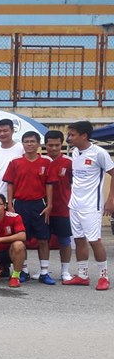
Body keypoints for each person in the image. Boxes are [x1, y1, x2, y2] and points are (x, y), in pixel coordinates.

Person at [63, 120, 114, 290]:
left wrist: (110, 200)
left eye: (72, 135)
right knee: (78, 239)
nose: (69, 138)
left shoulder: (99, 153)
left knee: (94, 240)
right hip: (75, 204)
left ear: (84, 135)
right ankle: (83, 275)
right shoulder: (75, 152)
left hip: (92, 206)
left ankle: (103, 277)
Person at [3, 131, 54, 283]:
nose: (29, 144)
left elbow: (49, 184)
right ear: (23, 144)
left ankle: (44, 272)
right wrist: (10, 205)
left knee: (43, 239)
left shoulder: (46, 162)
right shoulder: (15, 162)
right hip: (20, 204)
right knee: (22, 239)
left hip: (39, 204)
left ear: (38, 144)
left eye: (32, 141)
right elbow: (10, 184)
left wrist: (49, 204)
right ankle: (23, 270)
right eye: (26, 141)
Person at [44, 130, 74, 282]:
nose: (54, 148)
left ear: (61, 144)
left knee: (64, 241)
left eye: (57, 145)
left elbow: (76, 185)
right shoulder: (41, 161)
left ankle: (65, 271)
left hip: (63, 209)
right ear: (45, 145)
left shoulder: (69, 162)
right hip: (44, 209)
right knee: (43, 240)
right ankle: (44, 270)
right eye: (50, 145)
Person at [0, 119, 24, 201]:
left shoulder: (22, 148)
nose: (2, 134)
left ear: (12, 131)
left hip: (16, 198)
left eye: (5, 131)